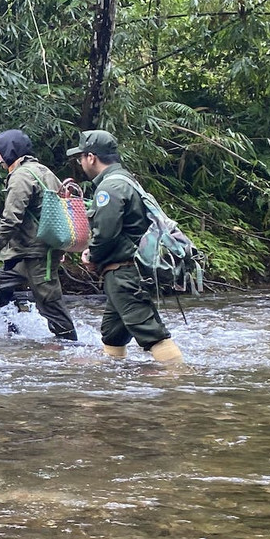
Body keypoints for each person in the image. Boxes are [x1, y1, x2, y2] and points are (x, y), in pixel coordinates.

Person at [68, 130, 183, 364]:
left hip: (124, 273)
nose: (80, 162)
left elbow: (106, 233)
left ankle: (179, 381)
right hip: (126, 271)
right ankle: (114, 383)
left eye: (81, 157)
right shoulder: (126, 180)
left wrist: (92, 255)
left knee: (151, 333)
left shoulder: (110, 188)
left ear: (91, 157)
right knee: (113, 333)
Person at [0, 130, 78, 340]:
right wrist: (60, 245)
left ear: (11, 152)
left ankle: (70, 348)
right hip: (34, 250)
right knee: (0, 281)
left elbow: (11, 219)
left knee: (50, 302)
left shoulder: (21, 176)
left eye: (0, 153)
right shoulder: (43, 171)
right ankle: (16, 325)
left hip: (37, 252)